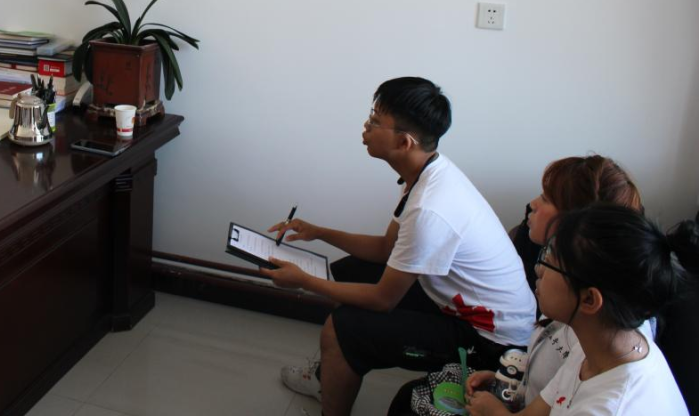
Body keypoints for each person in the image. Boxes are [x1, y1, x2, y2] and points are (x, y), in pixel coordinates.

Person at [266, 77, 535, 416]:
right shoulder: (426, 171)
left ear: (404, 142)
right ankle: (330, 377)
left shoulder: (430, 208)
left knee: (343, 326)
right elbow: (385, 248)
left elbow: (383, 299)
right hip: (464, 305)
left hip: (491, 341)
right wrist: (318, 232)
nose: (366, 126)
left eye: (375, 120)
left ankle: (334, 385)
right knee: (347, 271)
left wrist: (304, 281)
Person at [404, 155, 641, 416]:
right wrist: (508, 380)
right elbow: (548, 387)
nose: (533, 204)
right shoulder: (571, 315)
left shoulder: (593, 340)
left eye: (547, 199)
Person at [467, 204, 693, 415]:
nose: (539, 270)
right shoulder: (599, 343)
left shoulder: (608, 406)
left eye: (550, 262)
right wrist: (502, 390)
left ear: (589, 299)